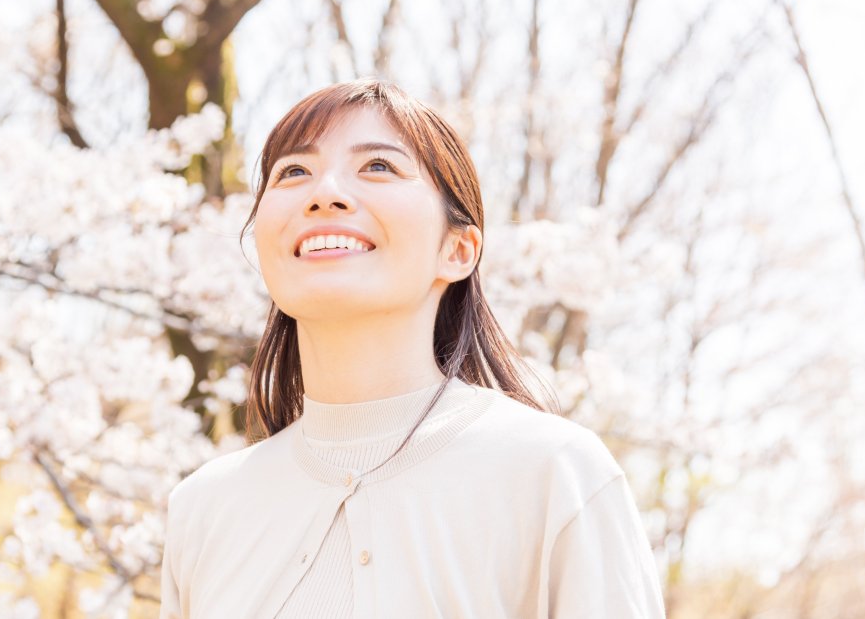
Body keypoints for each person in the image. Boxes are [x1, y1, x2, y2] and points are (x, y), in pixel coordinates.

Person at [158, 79, 666, 618]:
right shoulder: (203, 509)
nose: (323, 193)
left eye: (378, 166)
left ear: (457, 249)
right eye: (294, 172)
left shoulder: (555, 476)